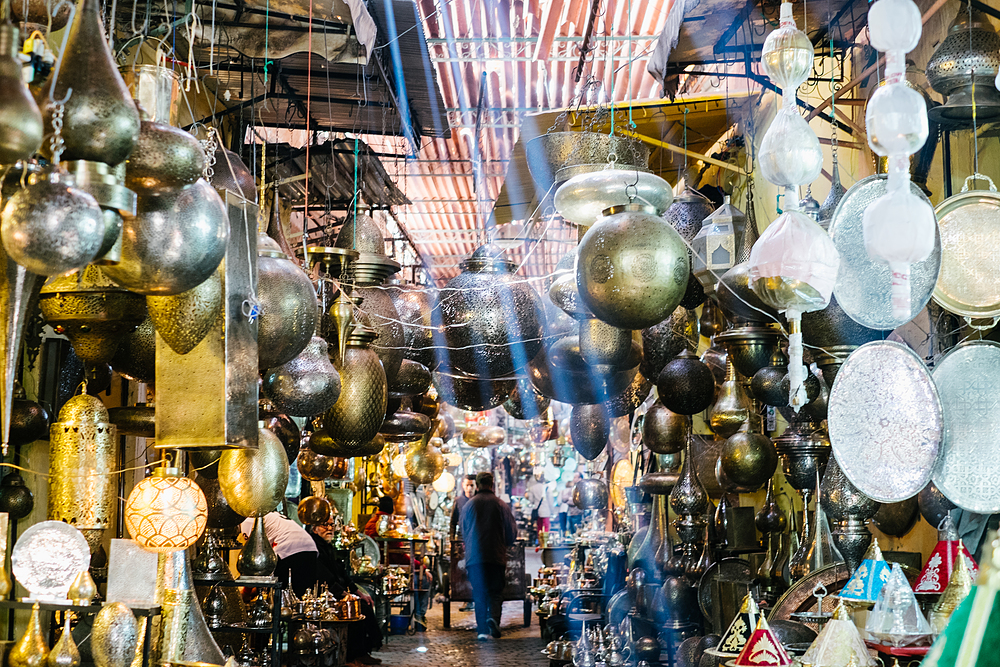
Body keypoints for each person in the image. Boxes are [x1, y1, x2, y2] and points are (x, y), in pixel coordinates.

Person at [308, 520, 383, 666]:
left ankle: (362, 653)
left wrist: (358, 592)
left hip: (339, 590)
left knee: (365, 604)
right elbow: (324, 577)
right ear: (314, 528)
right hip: (326, 594)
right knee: (357, 610)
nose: (329, 528)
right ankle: (350, 658)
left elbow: (341, 572)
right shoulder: (314, 546)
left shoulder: (327, 546)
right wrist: (344, 594)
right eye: (325, 525)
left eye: (331, 525)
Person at [459, 472, 517, 641]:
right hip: (496, 555)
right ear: (492, 484)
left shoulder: (469, 506)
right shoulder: (501, 505)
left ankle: (482, 630)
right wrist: (504, 542)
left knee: (479, 593)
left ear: (477, 485)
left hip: (475, 558)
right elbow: (511, 532)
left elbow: (463, 531)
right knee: (495, 592)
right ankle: (494, 620)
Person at [364, 496, 431, 631]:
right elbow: (399, 556)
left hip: (371, 568)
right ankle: (417, 616)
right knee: (424, 581)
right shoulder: (389, 526)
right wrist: (422, 567)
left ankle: (404, 617)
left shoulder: (370, 523)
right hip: (389, 572)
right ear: (392, 509)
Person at [239, 512, 317, 597]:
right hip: (310, 547)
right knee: (300, 595)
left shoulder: (247, 521)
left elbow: (253, 560)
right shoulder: (269, 514)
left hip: (288, 549)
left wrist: (246, 592)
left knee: (281, 597)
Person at [450, 474, 477, 612]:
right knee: (463, 571)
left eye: (472, 485)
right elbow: (453, 522)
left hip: (477, 541)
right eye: (467, 485)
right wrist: (452, 540)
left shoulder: (479, 501)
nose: (469, 488)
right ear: (463, 485)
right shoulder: (459, 501)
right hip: (461, 541)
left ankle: (474, 599)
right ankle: (467, 599)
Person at [525, 474, 553, 540]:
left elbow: (531, 500)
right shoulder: (547, 488)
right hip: (546, 510)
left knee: (539, 527)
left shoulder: (533, 488)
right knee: (546, 527)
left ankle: (540, 541)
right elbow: (550, 500)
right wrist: (552, 510)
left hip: (537, 510)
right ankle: (545, 541)